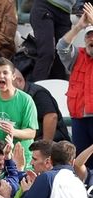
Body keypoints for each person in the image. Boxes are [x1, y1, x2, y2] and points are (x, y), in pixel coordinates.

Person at [57, 4, 93, 169]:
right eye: (88, 36)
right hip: (79, 118)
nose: (91, 39)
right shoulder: (77, 55)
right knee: (80, 163)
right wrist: (79, 26)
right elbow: (61, 47)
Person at [13, 69, 71, 142]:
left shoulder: (38, 94)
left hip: (50, 143)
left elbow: (51, 117)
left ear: (19, 81)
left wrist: (45, 145)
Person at [29, 0, 76, 81]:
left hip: (65, 12)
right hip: (45, 6)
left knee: (61, 58)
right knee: (47, 53)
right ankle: (35, 91)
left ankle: (55, 92)